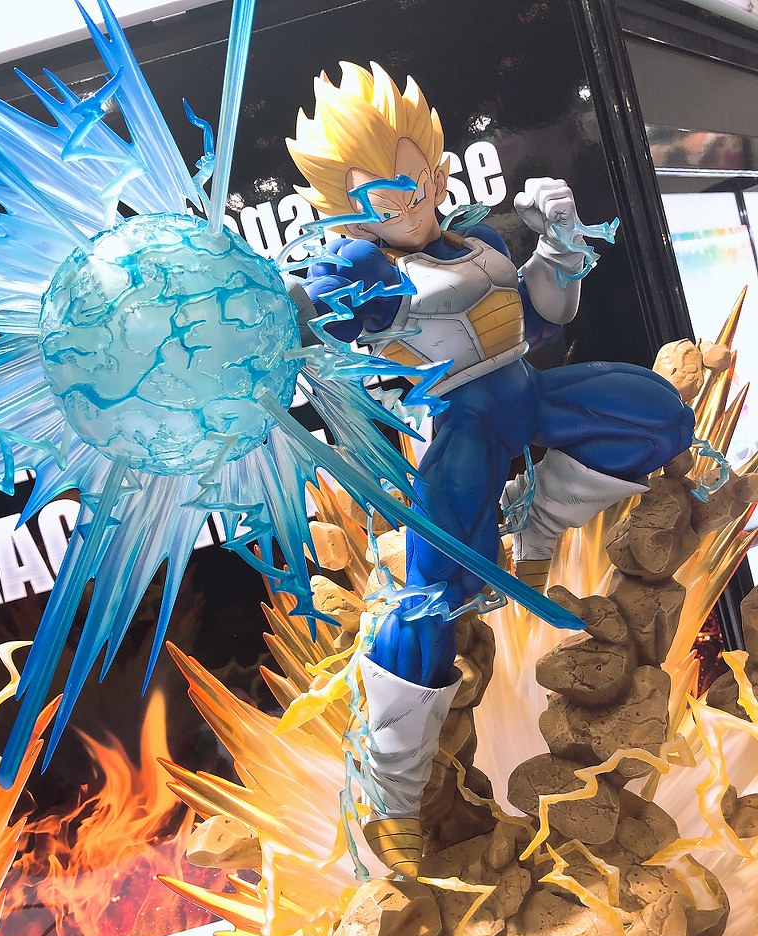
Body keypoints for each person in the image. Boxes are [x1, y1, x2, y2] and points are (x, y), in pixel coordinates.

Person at [287, 62, 695, 875]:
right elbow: (322, 315)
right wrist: (270, 312)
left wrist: (560, 240)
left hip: (527, 391)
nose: (409, 205)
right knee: (433, 596)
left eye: (418, 182)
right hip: (463, 425)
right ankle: (395, 796)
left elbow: (550, 311)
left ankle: (538, 523)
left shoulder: (481, 237)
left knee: (656, 415)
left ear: (439, 172)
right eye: (381, 197)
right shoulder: (362, 269)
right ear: (347, 206)